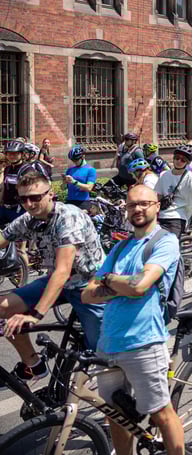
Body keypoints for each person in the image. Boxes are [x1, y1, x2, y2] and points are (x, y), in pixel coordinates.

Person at [81, 184, 184, 455]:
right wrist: (121, 284)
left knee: (161, 413)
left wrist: (109, 280)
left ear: (157, 206)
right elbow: (87, 295)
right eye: (131, 204)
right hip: (108, 343)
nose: (137, 209)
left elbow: (139, 286)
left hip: (144, 343)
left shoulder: (165, 241)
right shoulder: (120, 247)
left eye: (144, 203)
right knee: (115, 414)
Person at [0, 163, 105, 386]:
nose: (29, 204)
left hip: (88, 286)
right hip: (59, 282)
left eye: (36, 197)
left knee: (103, 354)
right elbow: (3, 238)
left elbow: (63, 270)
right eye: (24, 199)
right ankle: (34, 366)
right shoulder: (30, 218)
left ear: (51, 194)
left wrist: (36, 315)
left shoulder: (68, 217)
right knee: (3, 308)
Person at [155, 145, 192, 236]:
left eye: (183, 160)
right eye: (177, 158)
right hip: (162, 216)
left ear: (187, 163)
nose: (179, 161)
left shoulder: (190, 177)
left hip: (178, 218)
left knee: (172, 246)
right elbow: (157, 197)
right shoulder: (164, 175)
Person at [0, 140, 26, 225]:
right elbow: (4, 187)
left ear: (22, 154)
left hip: (19, 210)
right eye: (9, 153)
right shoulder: (7, 168)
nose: (12, 156)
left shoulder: (27, 170)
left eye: (15, 153)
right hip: (5, 208)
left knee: (19, 236)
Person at [64, 145, 97, 211]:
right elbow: (63, 188)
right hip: (70, 202)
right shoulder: (70, 170)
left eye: (76, 160)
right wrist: (64, 182)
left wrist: (74, 182)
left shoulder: (91, 170)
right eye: (73, 160)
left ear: (83, 156)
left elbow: (89, 188)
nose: (74, 162)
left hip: (83, 202)